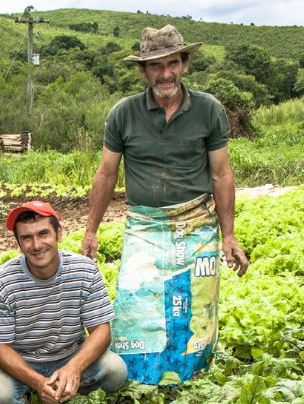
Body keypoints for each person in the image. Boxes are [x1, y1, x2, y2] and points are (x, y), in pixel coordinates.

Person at [79, 25, 249, 384]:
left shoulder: (209, 109)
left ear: (184, 64)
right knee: (136, 303)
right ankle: (141, 383)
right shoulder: (123, 114)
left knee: (194, 307)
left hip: (198, 224)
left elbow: (221, 175)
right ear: (143, 71)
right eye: (156, 66)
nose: (165, 73)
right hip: (145, 225)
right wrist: (91, 230)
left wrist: (229, 235)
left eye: (172, 63)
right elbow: (106, 173)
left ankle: (191, 383)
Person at [0, 201, 127, 404]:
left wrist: (74, 368)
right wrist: (37, 382)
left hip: (70, 353)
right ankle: (33, 398)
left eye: (43, 234)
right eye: (27, 238)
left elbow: (101, 331)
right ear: (18, 243)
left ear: (58, 233)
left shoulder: (84, 270)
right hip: (23, 362)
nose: (36, 244)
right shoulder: (2, 282)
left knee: (115, 371)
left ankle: (68, 389)